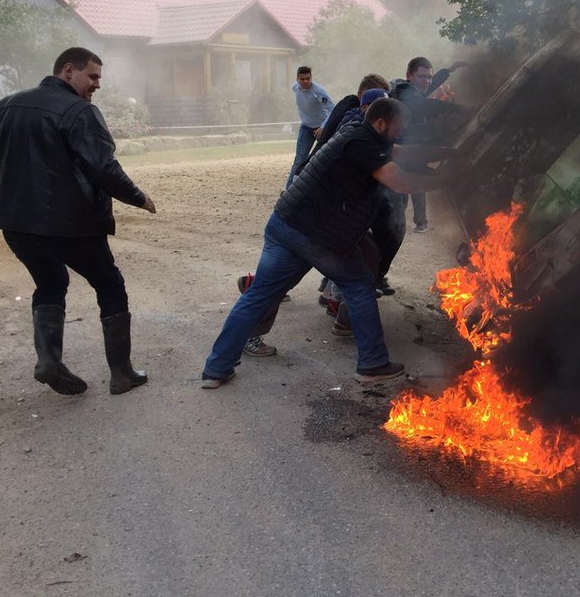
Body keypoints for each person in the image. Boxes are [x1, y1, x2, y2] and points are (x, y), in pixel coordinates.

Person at [200, 97, 444, 388]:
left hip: (285, 223)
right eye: (397, 128)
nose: (399, 134)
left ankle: (216, 369)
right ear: (381, 123)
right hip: (318, 234)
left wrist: (445, 152)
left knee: (259, 295)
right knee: (359, 285)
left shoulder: (359, 131)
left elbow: (404, 153)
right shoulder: (362, 145)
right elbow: (400, 182)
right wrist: (446, 180)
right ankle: (373, 364)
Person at [0, 47, 156, 396]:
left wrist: (21, 186)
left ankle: (49, 361)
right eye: (93, 76)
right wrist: (136, 196)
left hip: (16, 222)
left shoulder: (8, 105)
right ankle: (122, 374)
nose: (97, 85)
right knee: (110, 286)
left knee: (50, 282)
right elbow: (102, 167)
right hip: (71, 224)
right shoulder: (80, 111)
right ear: (68, 71)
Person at [389, 57, 467, 232]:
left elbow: (430, 86)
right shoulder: (403, 91)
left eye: (428, 77)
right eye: (422, 77)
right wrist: (458, 109)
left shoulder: (413, 89)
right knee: (402, 183)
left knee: (415, 181)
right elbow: (427, 105)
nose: (427, 81)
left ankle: (418, 221)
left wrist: (449, 70)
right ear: (409, 75)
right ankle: (400, 221)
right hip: (401, 145)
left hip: (413, 143)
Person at [289, 66, 332, 185]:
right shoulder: (295, 88)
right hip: (306, 127)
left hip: (321, 129)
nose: (305, 81)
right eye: (302, 79)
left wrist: (323, 127)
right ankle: (289, 188)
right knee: (299, 160)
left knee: (322, 160)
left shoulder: (318, 91)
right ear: (297, 79)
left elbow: (332, 108)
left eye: (308, 78)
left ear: (311, 78)